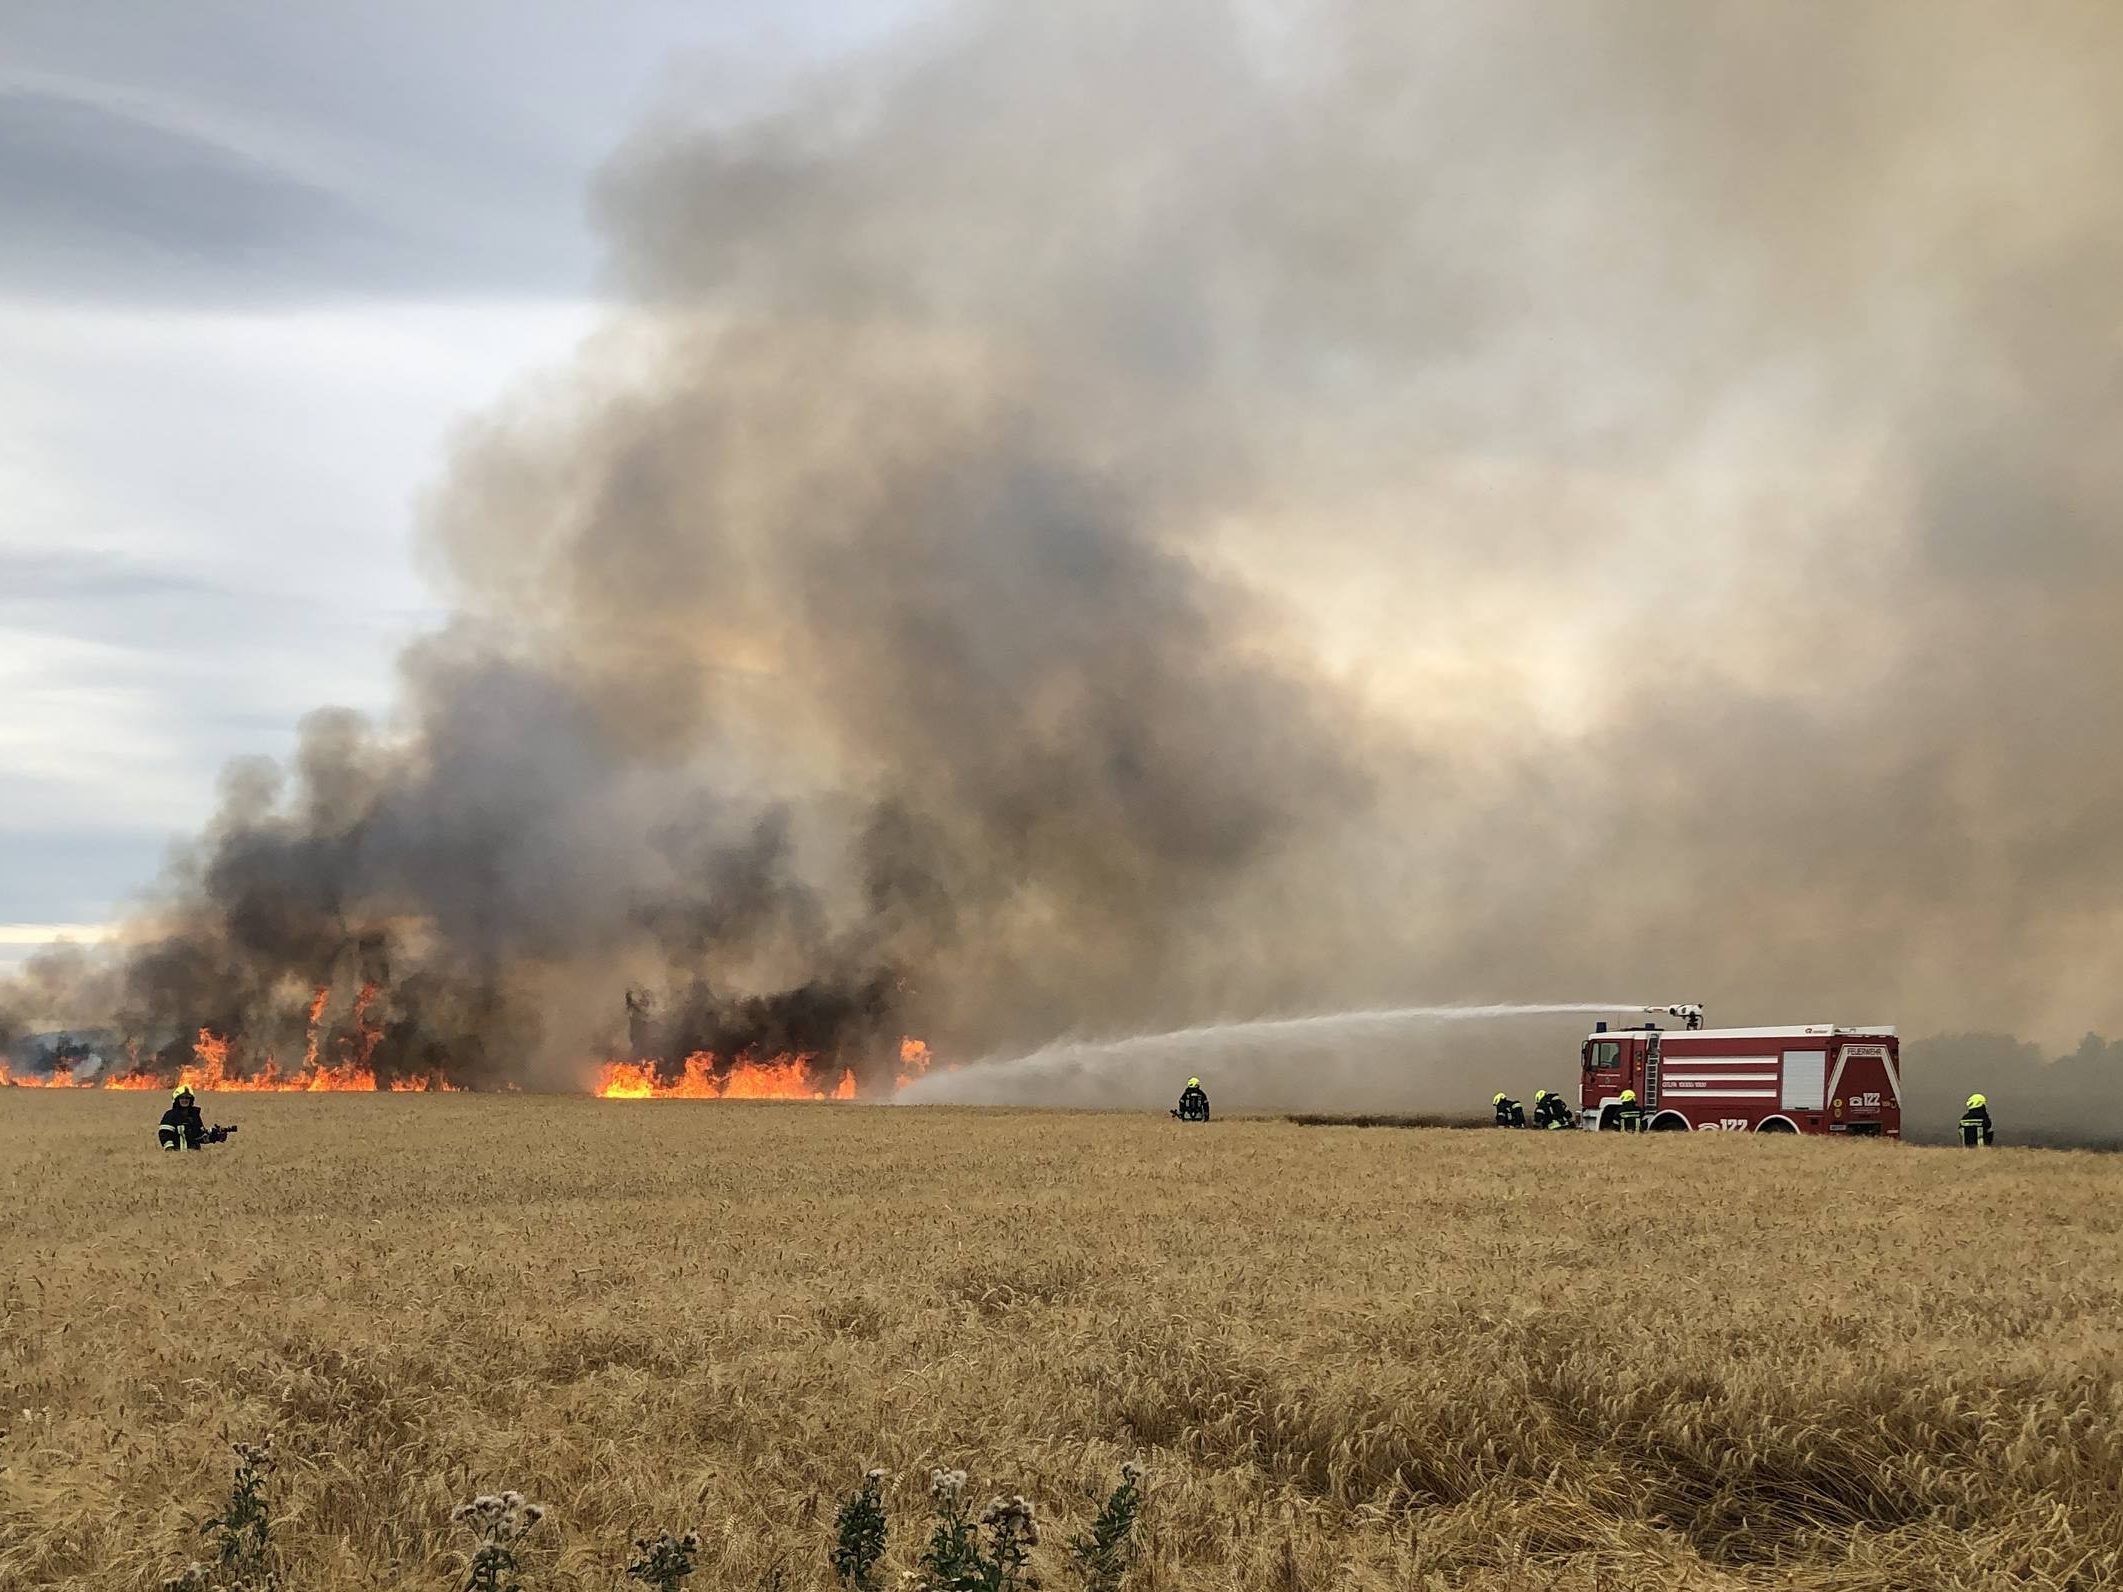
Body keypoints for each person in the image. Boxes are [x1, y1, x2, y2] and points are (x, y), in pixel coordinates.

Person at [158, 1086, 204, 1151]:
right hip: (176, 1155)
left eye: (187, 1098)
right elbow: (165, 1134)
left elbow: (200, 1135)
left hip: (195, 1156)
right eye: (182, 1098)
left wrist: (214, 1136)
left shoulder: (194, 1115)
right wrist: (170, 1149)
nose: (185, 1100)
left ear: (191, 1100)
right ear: (177, 1100)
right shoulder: (170, 1115)